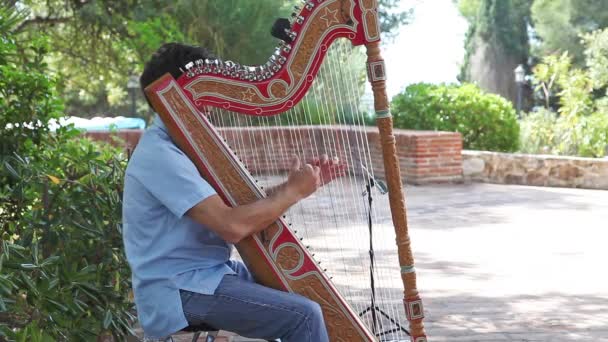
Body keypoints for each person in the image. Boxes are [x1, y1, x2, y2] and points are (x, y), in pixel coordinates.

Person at [122, 43, 344, 342]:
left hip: (207, 273)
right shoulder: (161, 153)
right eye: (208, 91)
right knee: (303, 315)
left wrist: (291, 188)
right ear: (179, 96)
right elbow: (232, 225)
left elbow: (234, 210)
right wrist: (292, 193)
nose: (213, 103)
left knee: (304, 287)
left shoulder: (185, 143)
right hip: (177, 288)